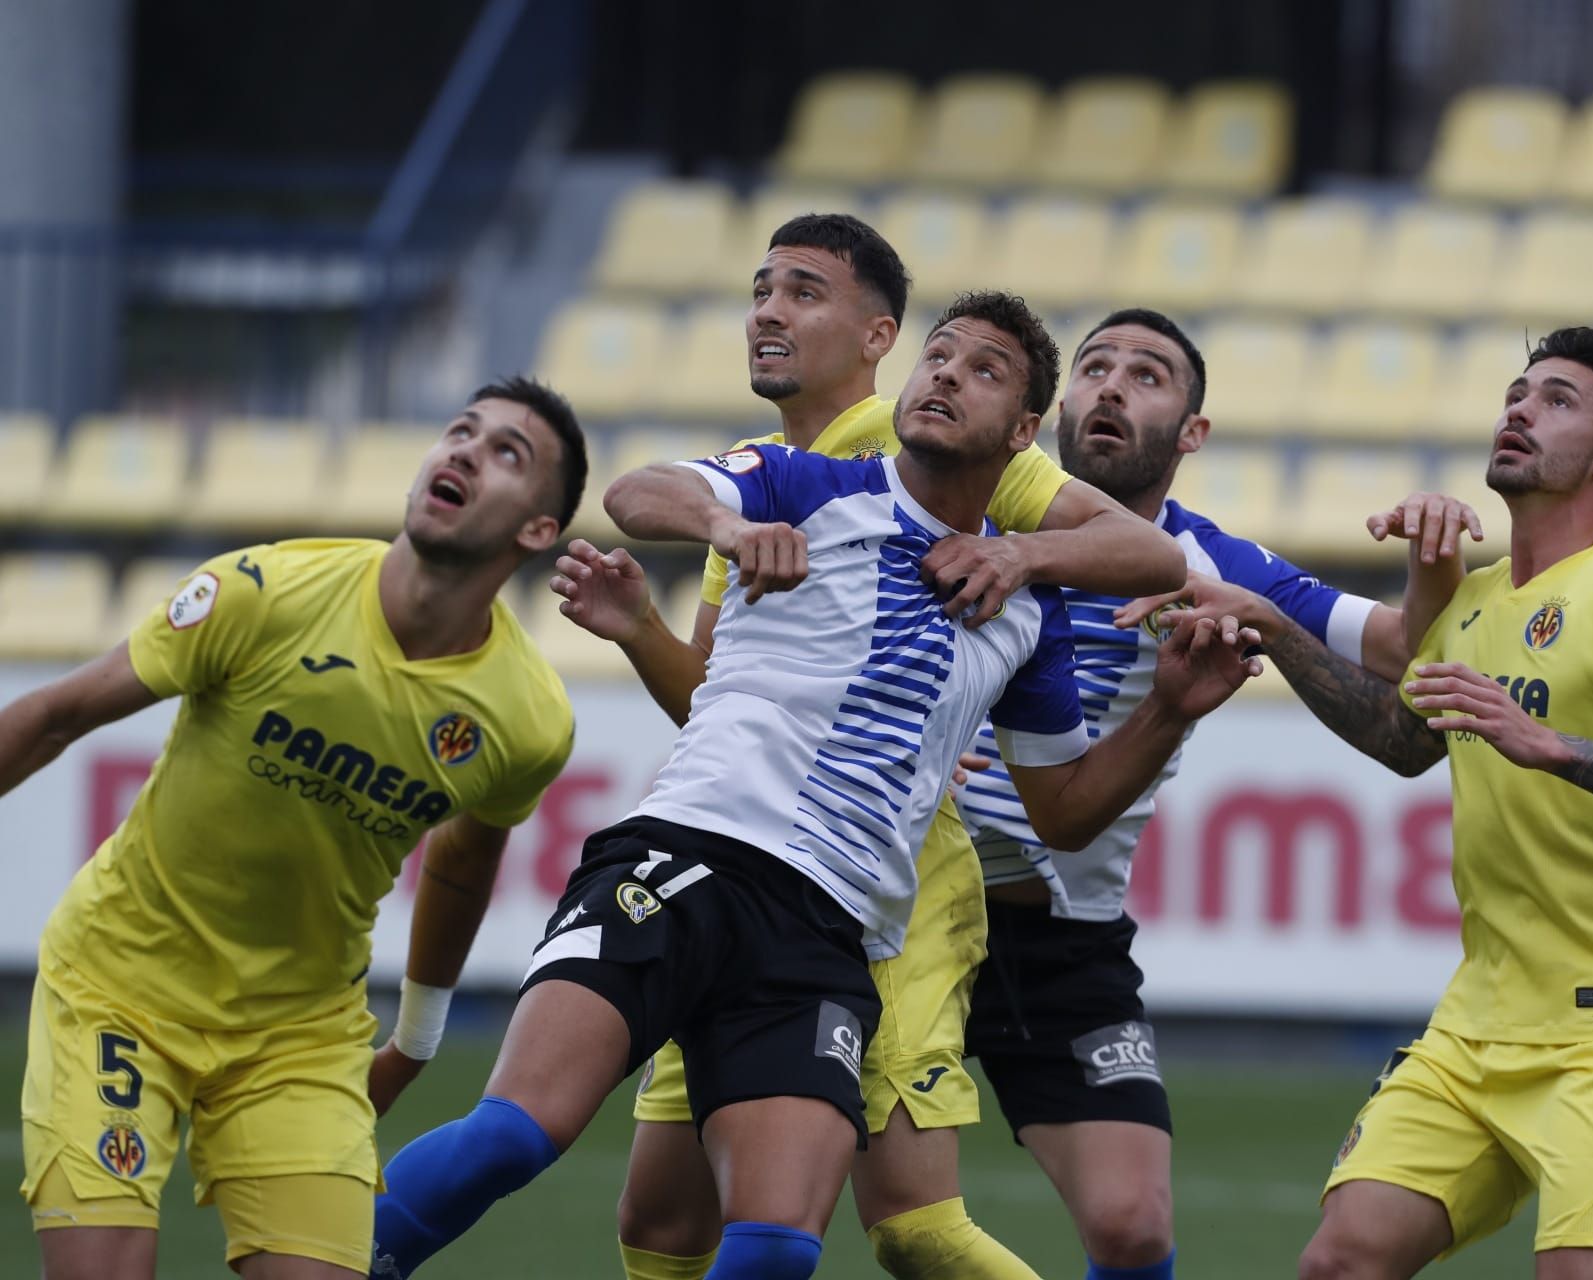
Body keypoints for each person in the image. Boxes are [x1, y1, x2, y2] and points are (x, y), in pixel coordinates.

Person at [366, 292, 1257, 1280]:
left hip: (827, 932)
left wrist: (1167, 707)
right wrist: (723, 524)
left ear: (1021, 433)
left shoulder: (1021, 610)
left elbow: (1068, 809)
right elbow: (634, 490)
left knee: (779, 1243)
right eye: (940, 355)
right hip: (687, 857)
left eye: (985, 368)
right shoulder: (804, 483)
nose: (947, 373)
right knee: (514, 1136)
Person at [562, 213, 1186, 1280]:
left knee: (911, 1218)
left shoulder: (933, 448)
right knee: (663, 1219)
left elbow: (1141, 549)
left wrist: (1025, 558)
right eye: (761, 288)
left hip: (875, 879)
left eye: (803, 292)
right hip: (743, 862)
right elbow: (717, 702)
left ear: (876, 336)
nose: (768, 310)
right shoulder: (763, 480)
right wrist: (640, 633)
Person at [3, 379, 586, 1279]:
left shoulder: (526, 719)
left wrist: (418, 1037)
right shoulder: (264, 590)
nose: (464, 451)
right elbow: (53, 714)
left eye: (508, 452)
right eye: (459, 432)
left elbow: (466, 861)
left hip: (298, 1032)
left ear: (537, 531)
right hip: (118, 986)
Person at [1223, 327, 1593, 1280]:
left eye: (1557, 399)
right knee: (1339, 1263)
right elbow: (1404, 743)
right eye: (1516, 393)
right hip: (1476, 1021)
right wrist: (1276, 631)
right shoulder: (1471, 604)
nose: (1520, 408)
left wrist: (1555, 749)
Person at [952, 307, 1476, 1280]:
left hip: (1061, 935)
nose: (1110, 385)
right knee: (761, 1205)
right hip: (897, 910)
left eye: (1147, 375)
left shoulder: (1212, 561)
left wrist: (1431, 557)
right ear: (1054, 406)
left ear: (1191, 433)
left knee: (1134, 1226)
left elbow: (1405, 646)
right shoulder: (965, 519)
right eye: (1095, 367)